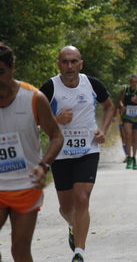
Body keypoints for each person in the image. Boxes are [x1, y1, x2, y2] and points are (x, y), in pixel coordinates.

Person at [40, 45, 115, 262]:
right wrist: (56, 121)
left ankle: (79, 252)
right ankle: (75, 226)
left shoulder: (91, 84)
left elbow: (109, 107)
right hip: (60, 152)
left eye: (74, 61)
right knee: (65, 208)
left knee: (82, 197)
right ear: (58, 64)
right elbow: (35, 119)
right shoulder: (49, 87)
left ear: (80, 64)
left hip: (88, 150)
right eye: (65, 61)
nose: (69, 66)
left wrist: (103, 130)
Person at [0, 42, 63, 262]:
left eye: (1, 72)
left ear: (12, 68)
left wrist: (43, 165)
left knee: (19, 250)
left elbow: (56, 136)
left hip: (26, 186)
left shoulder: (34, 98)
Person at [118, 74, 137, 170]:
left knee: (135, 140)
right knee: (128, 136)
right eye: (131, 82)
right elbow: (120, 101)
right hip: (127, 117)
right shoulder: (125, 90)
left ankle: (134, 158)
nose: (133, 84)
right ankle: (129, 158)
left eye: (135, 82)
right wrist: (122, 106)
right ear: (129, 82)